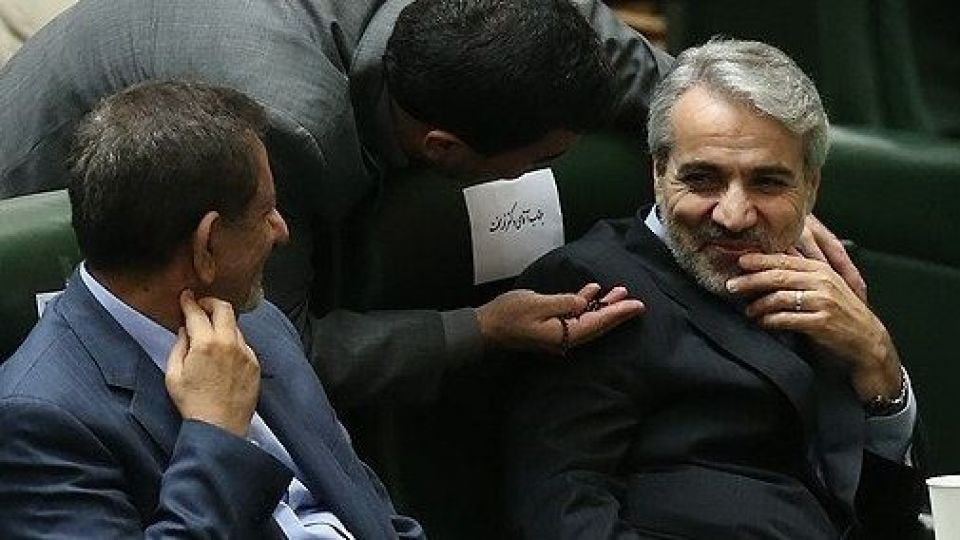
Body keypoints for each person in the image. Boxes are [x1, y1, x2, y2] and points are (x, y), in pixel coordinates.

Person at [0, 0, 858, 407]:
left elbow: (611, 49)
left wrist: (757, 172)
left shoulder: (498, 18)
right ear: (446, 151)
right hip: (47, 189)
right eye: (543, 160)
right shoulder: (286, 137)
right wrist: (477, 330)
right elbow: (273, 350)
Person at [504, 40, 925, 539]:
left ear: (811, 187)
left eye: (768, 183)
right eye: (703, 179)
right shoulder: (590, 282)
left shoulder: (825, 282)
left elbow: (889, 516)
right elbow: (563, 511)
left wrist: (879, 367)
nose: (733, 215)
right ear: (659, 172)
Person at [0, 80, 423, 539]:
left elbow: (366, 505)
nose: (280, 230)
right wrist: (215, 432)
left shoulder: (258, 320)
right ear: (207, 245)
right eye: (266, 212)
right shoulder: (39, 423)